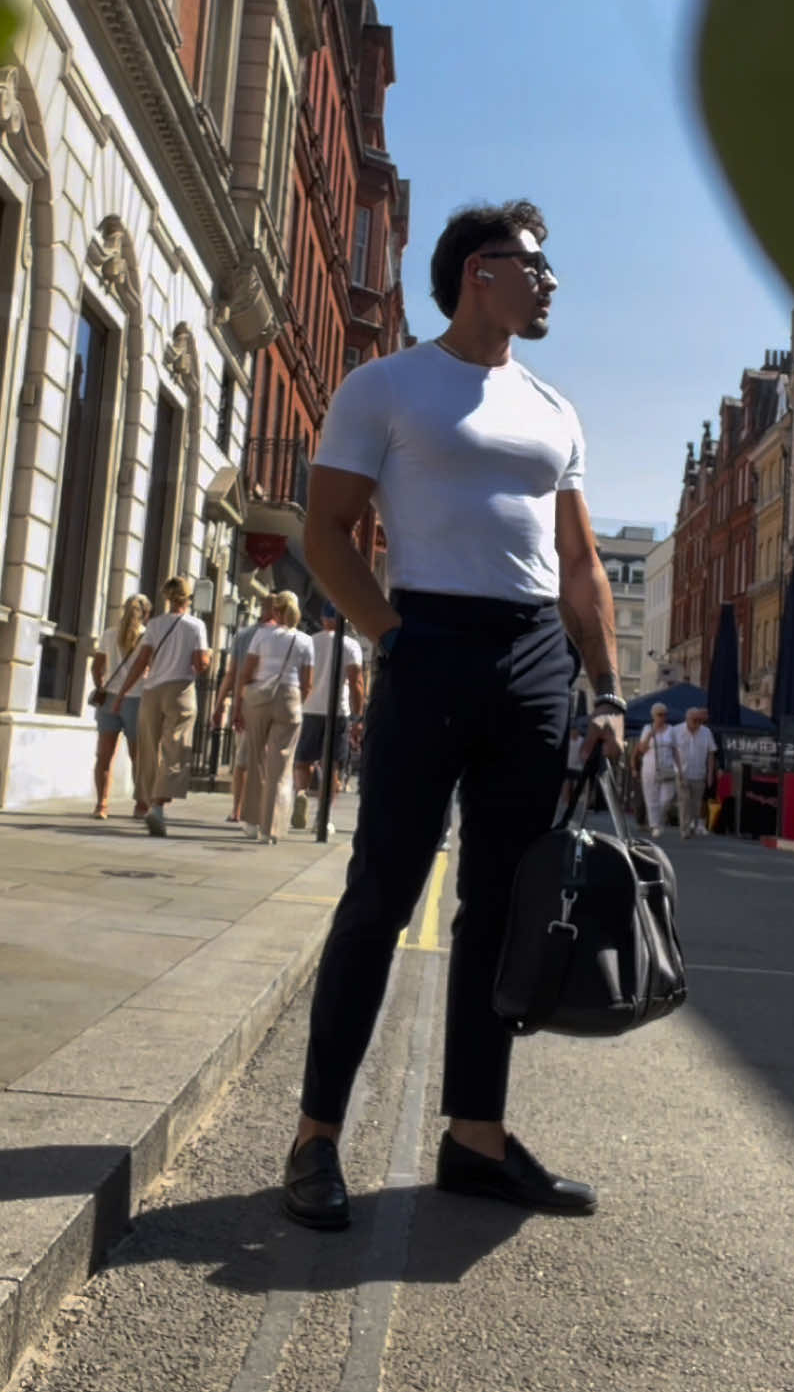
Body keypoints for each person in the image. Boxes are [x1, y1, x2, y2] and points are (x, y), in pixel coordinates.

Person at [282, 198, 624, 1231]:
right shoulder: (385, 387)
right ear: (481, 270)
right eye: (536, 266)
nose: (551, 282)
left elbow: (579, 564)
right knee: (382, 892)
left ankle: (475, 1138)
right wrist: (392, 638)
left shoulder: (555, 408)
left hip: (530, 660)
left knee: (502, 906)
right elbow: (326, 532)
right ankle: (315, 1141)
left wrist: (604, 689)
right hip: (426, 639)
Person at [114, 575, 211, 837]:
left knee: (148, 749)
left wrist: (122, 693)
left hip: (152, 691)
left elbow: (141, 662)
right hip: (180, 691)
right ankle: (158, 806)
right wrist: (208, 657)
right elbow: (200, 665)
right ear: (188, 599)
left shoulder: (154, 625)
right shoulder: (196, 626)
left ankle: (145, 802)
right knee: (174, 748)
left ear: (167, 598)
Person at [235, 590, 314, 844]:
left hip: (259, 698)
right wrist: (296, 704)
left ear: (276, 612)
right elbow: (307, 683)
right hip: (289, 699)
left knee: (256, 759)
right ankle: (270, 829)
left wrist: (239, 704)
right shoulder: (305, 640)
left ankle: (250, 821)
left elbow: (246, 673)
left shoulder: (262, 635)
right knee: (280, 767)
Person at [290, 601, 364, 830]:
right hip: (337, 712)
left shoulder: (310, 642)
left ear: (323, 619)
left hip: (309, 709)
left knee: (303, 761)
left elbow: (299, 677)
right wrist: (358, 718)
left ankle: (301, 794)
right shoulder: (351, 646)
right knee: (331, 765)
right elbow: (356, 683)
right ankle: (323, 816)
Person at [211, 600, 277, 821]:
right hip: (275, 705)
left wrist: (221, 704)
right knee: (264, 760)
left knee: (243, 759)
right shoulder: (286, 636)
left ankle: (237, 809)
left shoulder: (245, 635)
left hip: (248, 702)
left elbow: (234, 673)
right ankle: (258, 809)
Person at [89, 593, 152, 819]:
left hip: (108, 699)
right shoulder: (147, 637)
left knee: (104, 756)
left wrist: (101, 686)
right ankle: (141, 806)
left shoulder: (108, 634)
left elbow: (96, 667)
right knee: (138, 757)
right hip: (136, 700)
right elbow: (151, 669)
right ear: (146, 614)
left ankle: (101, 805)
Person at [634, 702, 679, 838]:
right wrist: (650, 735)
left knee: (666, 798)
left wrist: (680, 770)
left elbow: (676, 750)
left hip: (667, 768)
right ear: (653, 716)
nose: (663, 717)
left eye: (665, 715)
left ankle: (658, 821)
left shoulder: (671, 730)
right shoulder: (647, 729)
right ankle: (655, 826)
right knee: (651, 797)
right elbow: (641, 749)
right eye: (660, 715)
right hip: (650, 766)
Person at [673, 707, 717, 839]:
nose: (697, 722)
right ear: (687, 719)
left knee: (696, 804)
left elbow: (711, 753)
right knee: (684, 801)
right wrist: (677, 769)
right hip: (682, 773)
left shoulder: (706, 732)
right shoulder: (677, 730)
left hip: (699, 774)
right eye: (694, 720)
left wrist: (710, 774)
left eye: (699, 720)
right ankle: (684, 829)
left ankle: (693, 823)